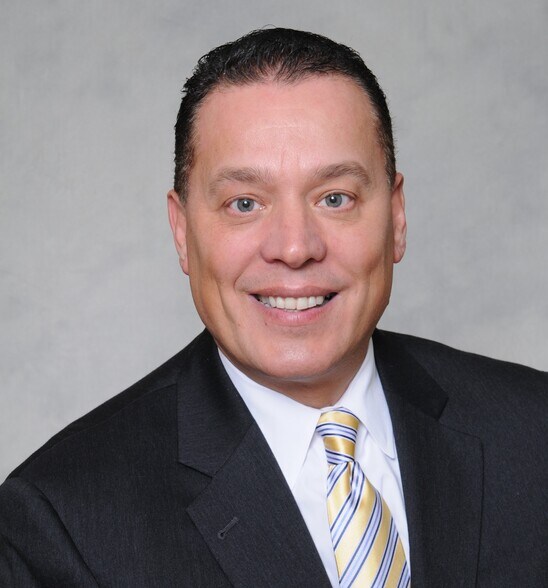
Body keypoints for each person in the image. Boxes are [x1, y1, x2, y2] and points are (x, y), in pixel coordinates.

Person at [0, 27, 546, 588]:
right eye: (244, 203)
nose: (294, 247)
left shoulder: (535, 432)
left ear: (396, 217)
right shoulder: (64, 521)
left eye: (335, 198)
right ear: (183, 232)